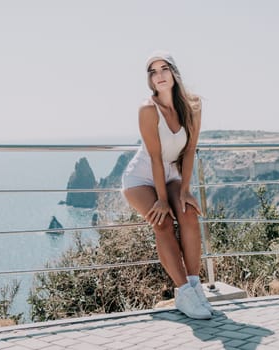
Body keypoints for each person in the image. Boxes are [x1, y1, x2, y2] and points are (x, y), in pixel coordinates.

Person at [121, 51, 213, 319]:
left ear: (174, 73)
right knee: (161, 222)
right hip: (141, 178)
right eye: (152, 71)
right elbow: (154, 158)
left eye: (164, 69)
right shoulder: (148, 110)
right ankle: (183, 293)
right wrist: (162, 199)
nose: (159, 75)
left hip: (172, 174)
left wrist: (184, 191)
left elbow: (191, 148)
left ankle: (195, 288)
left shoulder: (192, 105)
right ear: (149, 80)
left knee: (187, 213)